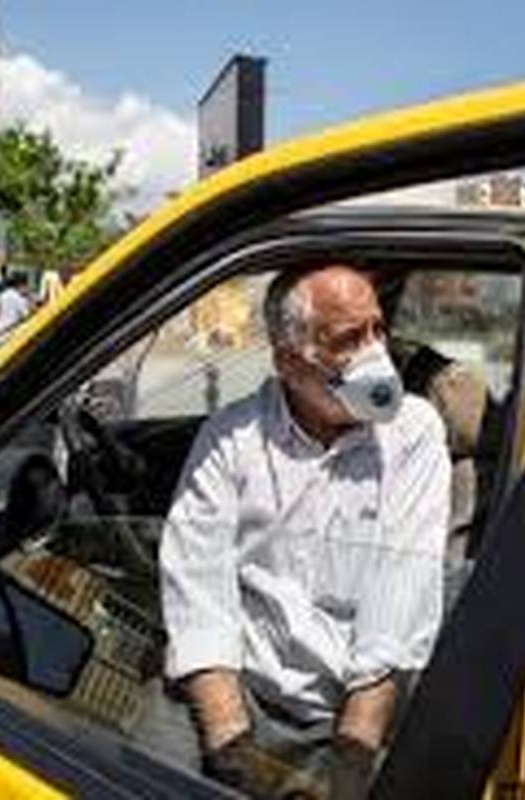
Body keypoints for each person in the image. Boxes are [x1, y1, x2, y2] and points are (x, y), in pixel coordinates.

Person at [153, 264, 451, 798]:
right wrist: (234, 751)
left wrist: (349, 766)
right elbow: (198, 595)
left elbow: (396, 608)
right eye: (348, 339)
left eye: (377, 330)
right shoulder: (230, 438)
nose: (374, 353)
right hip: (240, 693)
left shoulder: (412, 434)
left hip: (355, 709)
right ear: (290, 362)